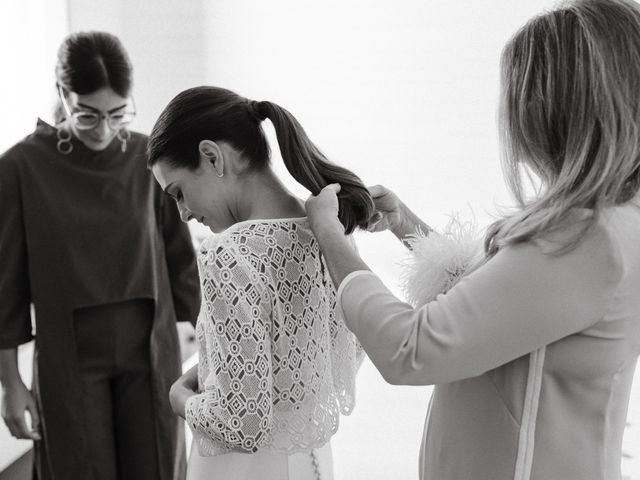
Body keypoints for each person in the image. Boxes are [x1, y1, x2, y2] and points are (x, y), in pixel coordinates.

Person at [305, 0, 640, 479]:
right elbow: (499, 305)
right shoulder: (613, 221)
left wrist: (331, 240)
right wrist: (408, 226)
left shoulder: (584, 238)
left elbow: (410, 349)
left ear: (548, 107)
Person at [0, 31, 200, 480]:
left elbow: (180, 258)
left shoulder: (148, 157)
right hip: (68, 360)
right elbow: (5, 286)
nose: (105, 129)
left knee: (157, 469)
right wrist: (11, 383)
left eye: (117, 114)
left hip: (150, 353)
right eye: (88, 115)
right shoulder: (20, 168)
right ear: (62, 96)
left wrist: (208, 342)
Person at [147, 86, 371, 480]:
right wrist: (222, 362)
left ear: (212, 156)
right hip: (312, 461)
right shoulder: (329, 228)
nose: (182, 213)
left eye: (178, 192)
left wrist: (180, 398)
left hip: (241, 469)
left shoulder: (227, 252)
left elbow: (242, 423)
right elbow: (343, 355)